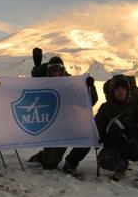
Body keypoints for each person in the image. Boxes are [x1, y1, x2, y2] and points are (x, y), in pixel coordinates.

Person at [28, 47, 99, 176]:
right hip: (53, 127)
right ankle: (43, 156)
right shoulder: (42, 83)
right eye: (53, 69)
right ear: (49, 70)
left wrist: (90, 88)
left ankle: (71, 162)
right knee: (49, 165)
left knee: (86, 138)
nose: (55, 72)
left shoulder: (72, 84)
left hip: (70, 124)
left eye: (58, 69)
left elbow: (88, 102)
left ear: (62, 70)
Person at [95, 74, 138, 189]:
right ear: (112, 92)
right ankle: (121, 167)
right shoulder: (106, 109)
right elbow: (97, 127)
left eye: (123, 88)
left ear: (128, 90)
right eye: (117, 89)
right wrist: (103, 136)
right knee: (103, 160)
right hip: (117, 148)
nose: (120, 91)